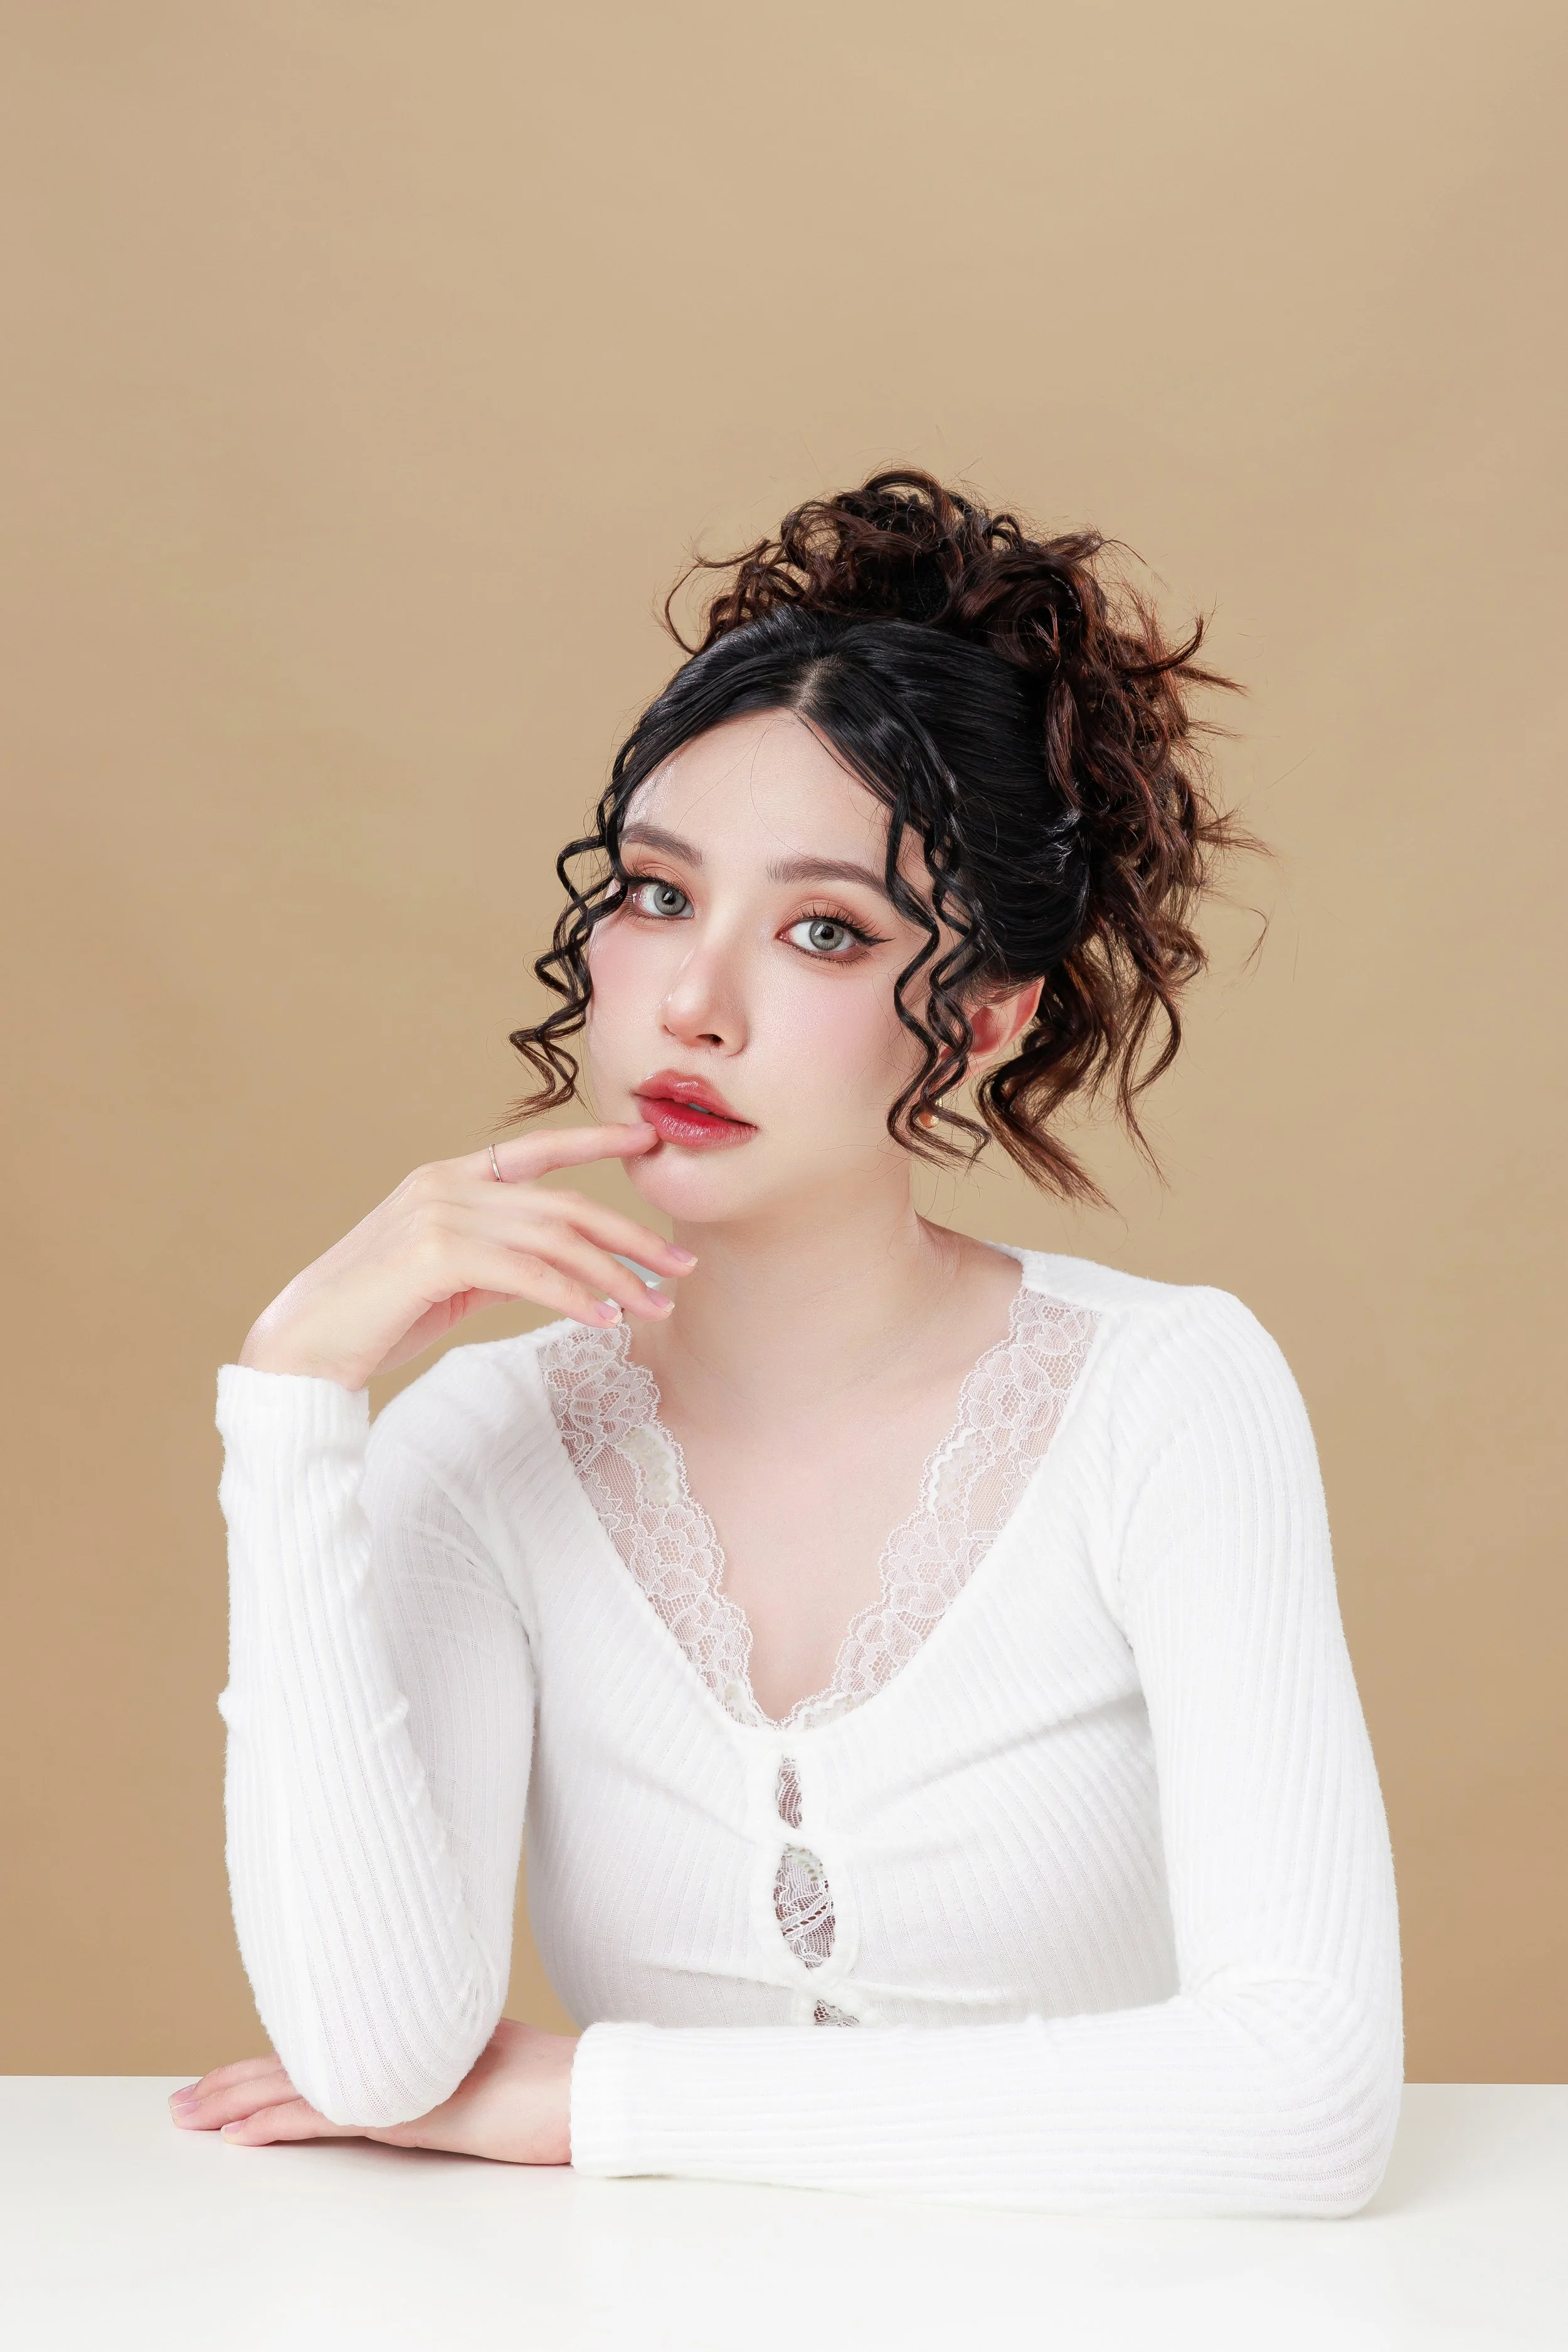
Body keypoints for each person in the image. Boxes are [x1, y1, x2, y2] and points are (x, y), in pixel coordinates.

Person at [169, 470, 1402, 2213]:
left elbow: (1304, 2102)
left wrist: (595, 2096)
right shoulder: (476, 1445)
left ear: (982, 1019)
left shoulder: (1165, 1398)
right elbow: (379, 2054)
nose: (695, 999)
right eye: (659, 896)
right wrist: (291, 1399)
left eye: (823, 929)